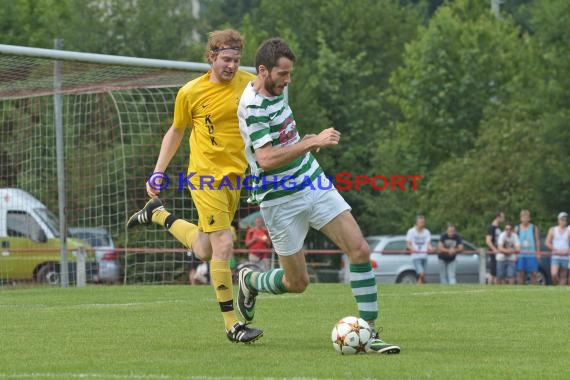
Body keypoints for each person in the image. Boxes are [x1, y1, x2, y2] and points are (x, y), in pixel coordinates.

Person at [236, 38, 400, 354]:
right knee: (297, 284)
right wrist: (312, 142)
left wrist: (307, 142)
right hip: (278, 198)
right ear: (263, 70)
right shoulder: (254, 106)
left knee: (360, 250)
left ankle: (369, 333)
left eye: (289, 73)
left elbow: (286, 139)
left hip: (313, 182)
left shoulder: (274, 90)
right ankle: (251, 281)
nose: (288, 81)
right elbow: (267, 159)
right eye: (283, 74)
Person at [126, 29, 262, 343]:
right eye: (225, 59)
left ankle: (158, 215)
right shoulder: (190, 92)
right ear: (212, 57)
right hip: (204, 177)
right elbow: (175, 132)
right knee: (224, 245)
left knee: (204, 249)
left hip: (235, 177)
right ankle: (232, 324)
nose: (231, 65)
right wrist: (158, 172)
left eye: (236, 60)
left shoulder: (249, 84)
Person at [515, 210, 541, 285]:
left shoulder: (533, 228)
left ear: (529, 218)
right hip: (521, 254)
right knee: (521, 273)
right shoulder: (517, 228)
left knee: (534, 273)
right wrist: (515, 253)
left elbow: (537, 240)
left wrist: (538, 252)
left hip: (531, 254)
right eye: (523, 217)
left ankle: (534, 290)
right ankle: (521, 290)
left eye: (526, 217)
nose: (525, 219)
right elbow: (514, 241)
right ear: (520, 218)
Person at [406, 215, 433, 284]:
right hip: (415, 257)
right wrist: (414, 249)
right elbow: (408, 244)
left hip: (424, 256)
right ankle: (423, 283)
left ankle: (420, 284)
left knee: (422, 275)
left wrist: (431, 248)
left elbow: (428, 244)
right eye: (421, 222)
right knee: (421, 273)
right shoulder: (411, 231)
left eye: (423, 222)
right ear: (416, 222)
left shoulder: (427, 232)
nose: (422, 223)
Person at [545, 212, 569, 285]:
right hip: (556, 255)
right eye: (561, 219)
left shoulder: (568, 230)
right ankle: (557, 285)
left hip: (565, 256)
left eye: (564, 220)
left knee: (563, 276)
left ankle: (560, 291)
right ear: (558, 220)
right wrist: (554, 249)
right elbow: (547, 242)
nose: (563, 221)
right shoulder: (553, 230)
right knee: (554, 274)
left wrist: (567, 251)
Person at [485, 212, 505, 285]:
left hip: (498, 253)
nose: (504, 219)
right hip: (493, 253)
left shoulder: (498, 228)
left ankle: (494, 287)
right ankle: (490, 288)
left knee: (496, 272)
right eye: (502, 217)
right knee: (493, 272)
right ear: (498, 217)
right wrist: (495, 250)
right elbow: (488, 240)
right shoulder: (491, 227)